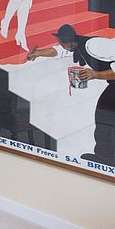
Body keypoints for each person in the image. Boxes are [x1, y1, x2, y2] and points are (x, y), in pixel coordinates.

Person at [27, 24, 115, 166]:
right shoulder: (77, 45)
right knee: (104, 115)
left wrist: (95, 74)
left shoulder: (93, 45)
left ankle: (106, 157)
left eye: (63, 43)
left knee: (103, 114)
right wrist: (38, 53)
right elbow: (58, 51)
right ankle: (106, 156)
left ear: (69, 41)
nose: (62, 46)